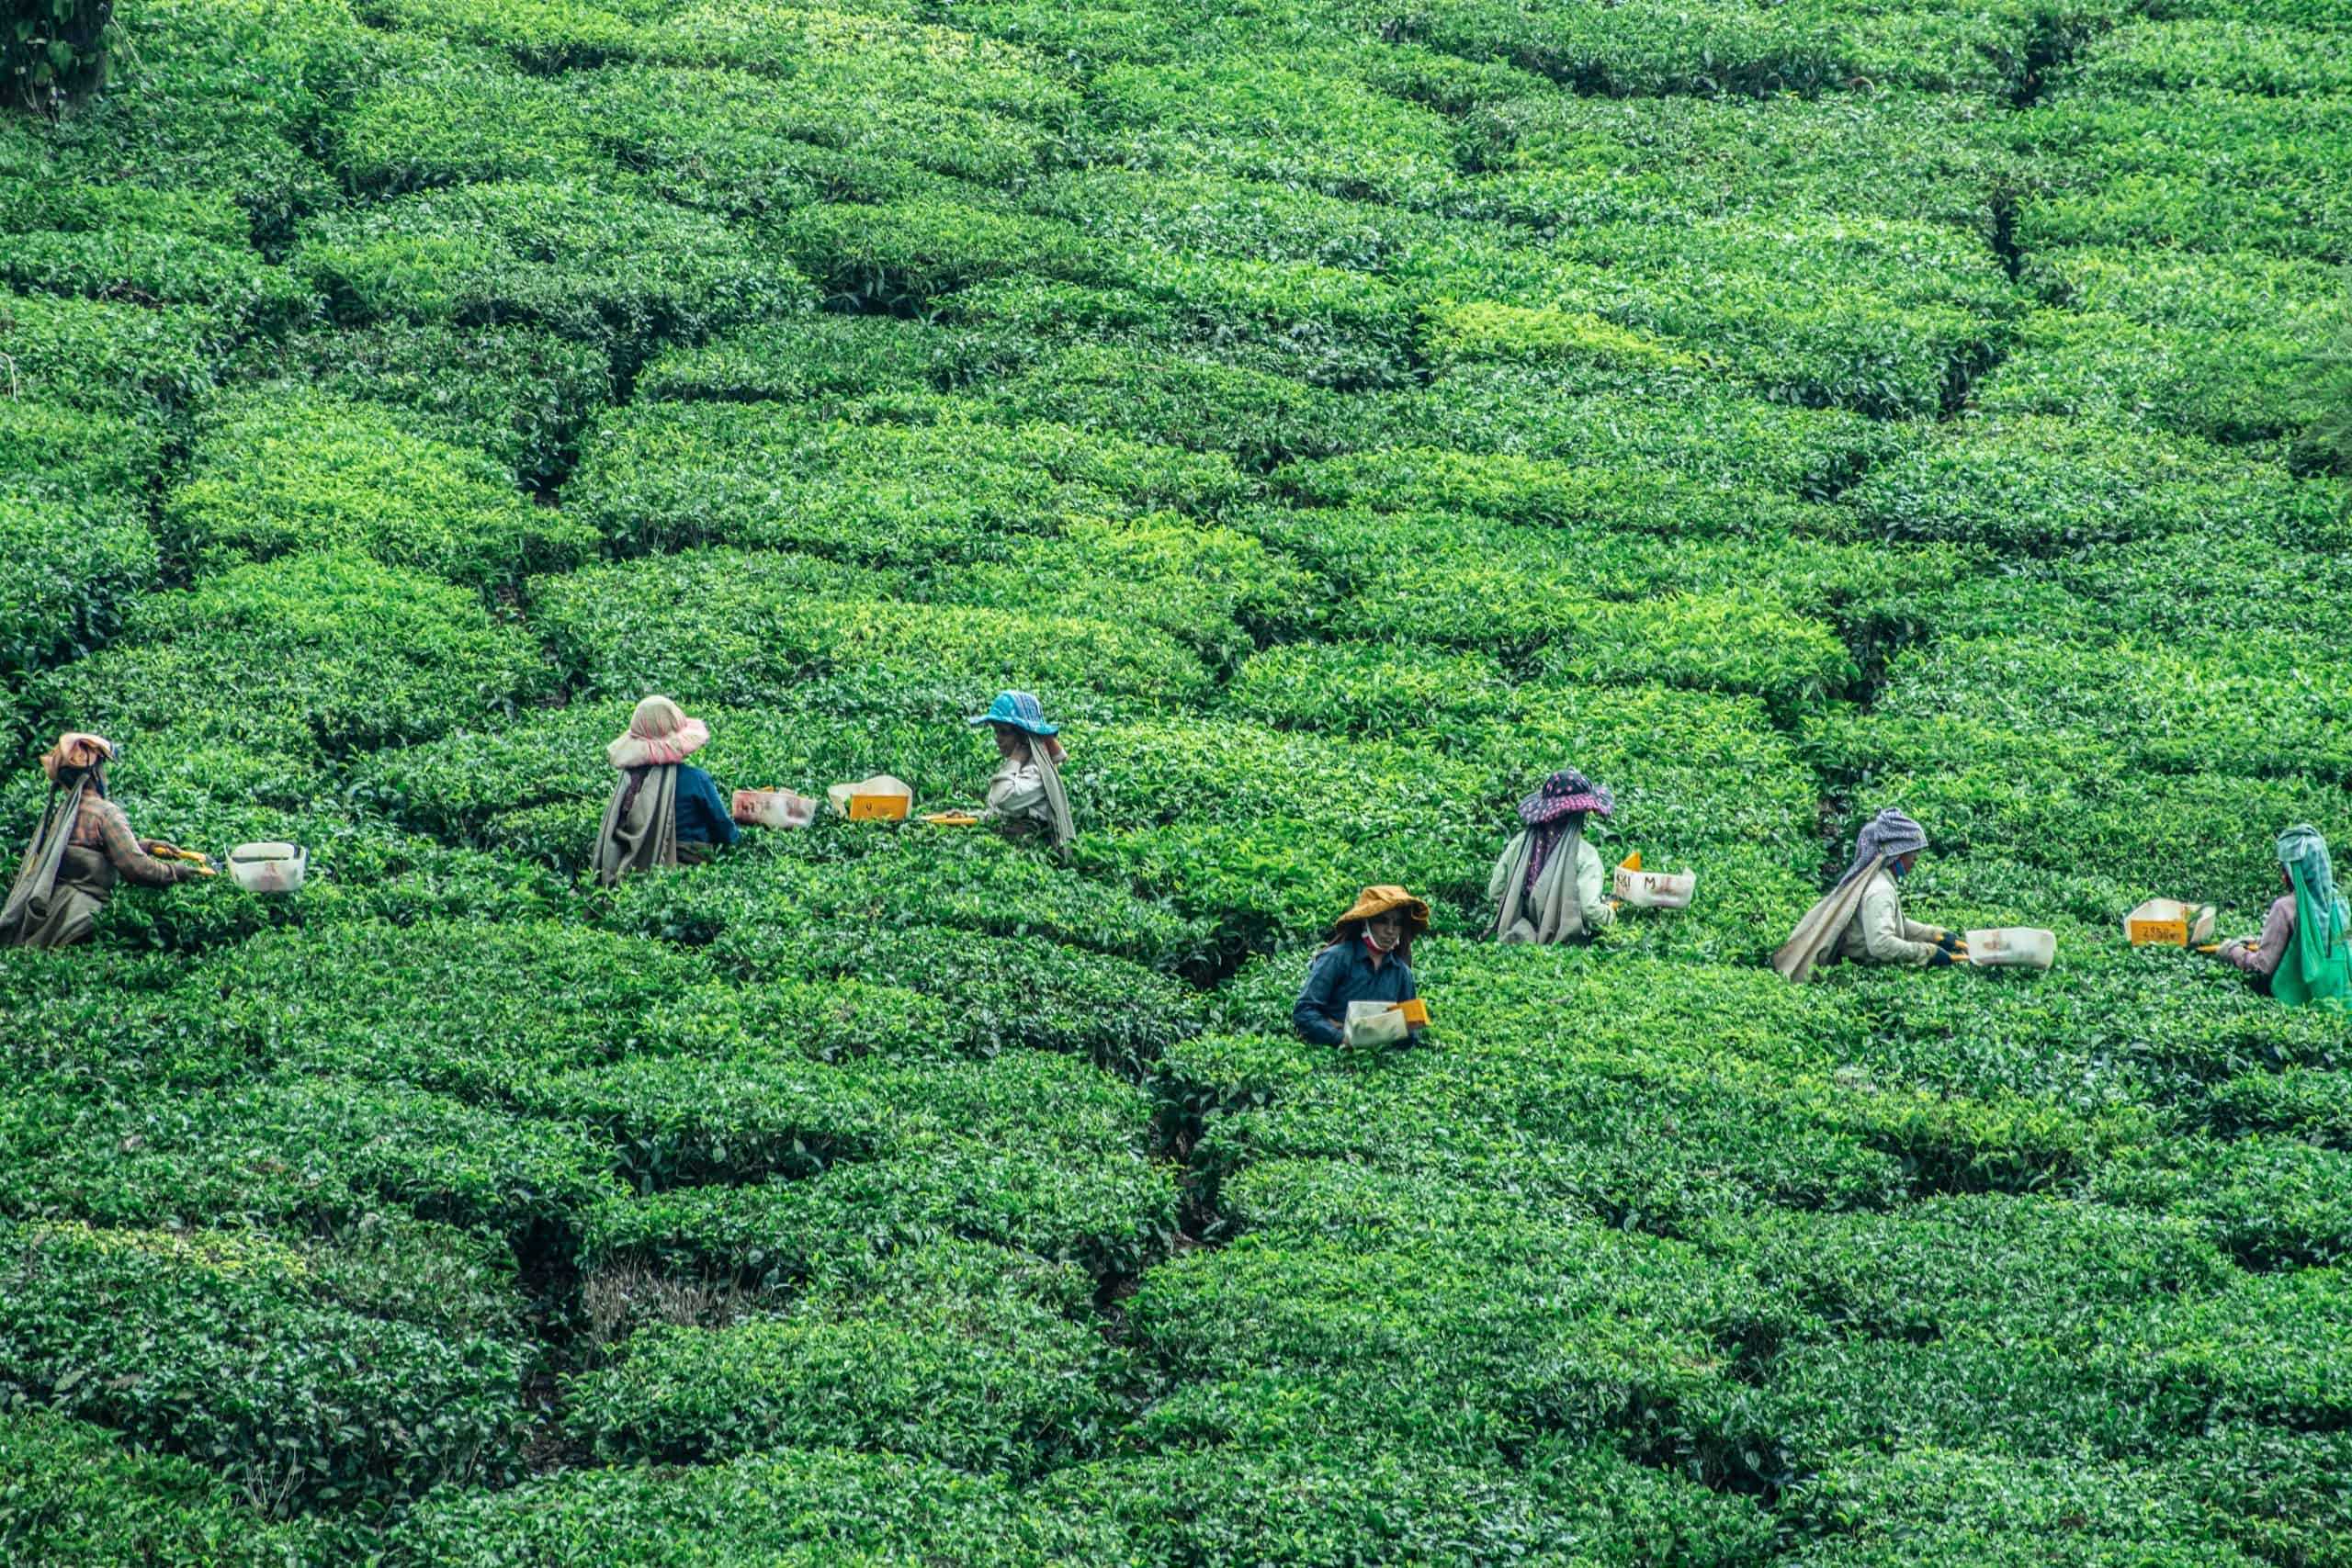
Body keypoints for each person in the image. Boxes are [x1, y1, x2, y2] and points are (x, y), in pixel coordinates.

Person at [0, 731, 211, 948]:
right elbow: (138, 869)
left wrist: (144, 846)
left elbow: (88, 853)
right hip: (80, 920)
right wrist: (181, 872)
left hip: (54, 917)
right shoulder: (104, 814)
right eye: (102, 769)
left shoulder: (64, 814)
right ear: (93, 774)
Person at [1772, 807, 1964, 982]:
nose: (1915, 859)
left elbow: (1894, 923)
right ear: (1896, 855)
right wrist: (1926, 952)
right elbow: (1881, 944)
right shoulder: (1880, 891)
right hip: (1862, 975)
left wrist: (1935, 935)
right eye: (1912, 852)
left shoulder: (1876, 882)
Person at [594, 696, 741, 887]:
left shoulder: (629, 781)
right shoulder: (696, 779)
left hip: (630, 866)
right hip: (687, 871)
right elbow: (725, 831)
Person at [2219, 825, 2352, 1010]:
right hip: (2341, 1002)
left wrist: (2232, 951)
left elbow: (2262, 967)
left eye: (2285, 869)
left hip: (2296, 1005)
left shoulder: (2285, 908)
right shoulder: (2339, 900)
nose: (2283, 877)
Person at [1487, 768, 1618, 944]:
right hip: (1562, 946)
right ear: (1578, 815)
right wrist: (1610, 913)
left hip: (1517, 937)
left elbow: (1496, 890)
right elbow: (1589, 908)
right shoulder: (1585, 855)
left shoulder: (1520, 843)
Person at [1294, 885, 1430, 1046]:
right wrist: (1340, 1037)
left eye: (1397, 923)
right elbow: (1304, 1012)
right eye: (1383, 921)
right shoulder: (1336, 959)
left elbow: (1411, 1031)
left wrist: (1396, 1031)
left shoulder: (1401, 973)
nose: (1390, 930)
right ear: (1366, 923)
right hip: (1333, 1058)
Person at [967, 691, 1074, 856]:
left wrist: (1018, 756)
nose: (998, 739)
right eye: (996, 732)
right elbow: (998, 809)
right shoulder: (1025, 764)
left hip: (1032, 854)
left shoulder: (1038, 771)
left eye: (1004, 732)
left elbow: (1001, 798)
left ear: (1024, 737)